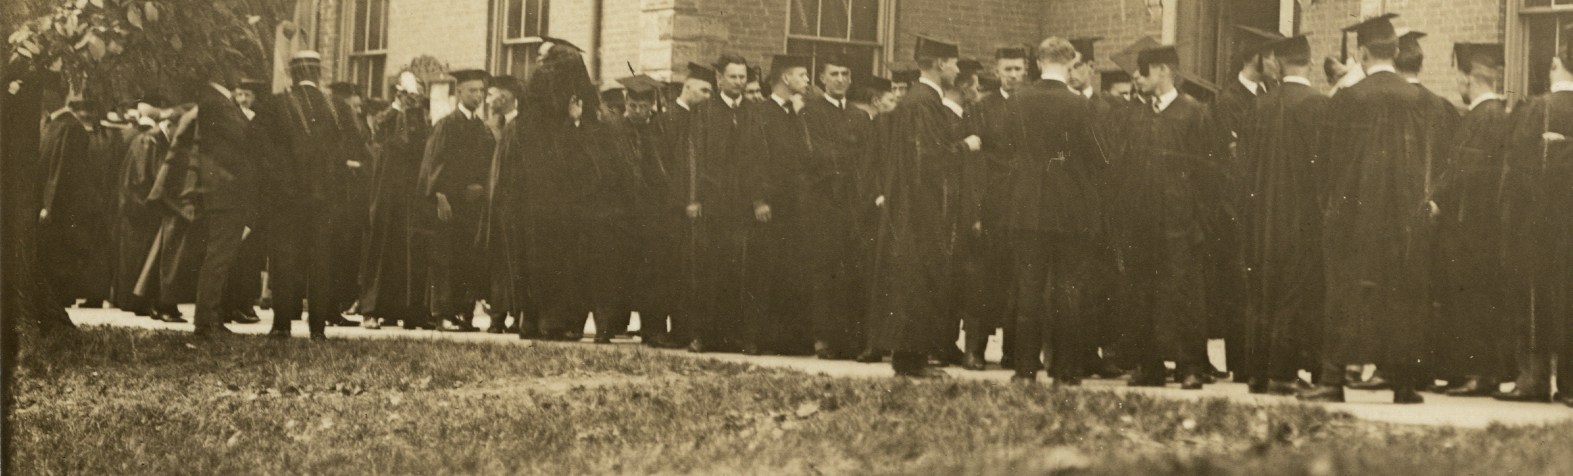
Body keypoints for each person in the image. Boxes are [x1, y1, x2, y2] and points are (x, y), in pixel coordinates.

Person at [1298, 14, 1447, 404]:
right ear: (1396, 52)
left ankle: (1333, 379)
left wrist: (1329, 205)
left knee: (1345, 292)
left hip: (1353, 216)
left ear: (1362, 53)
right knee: (1402, 293)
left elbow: (1325, 163)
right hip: (1404, 218)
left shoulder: (1348, 99)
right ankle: (1402, 384)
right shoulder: (1421, 100)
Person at [1114, 44, 1222, 389]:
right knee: (1141, 294)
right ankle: (1150, 366)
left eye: (1142, 70)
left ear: (1162, 70)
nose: (1136, 77)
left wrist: (1197, 220)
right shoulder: (1134, 115)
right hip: (1140, 223)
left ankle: (1191, 366)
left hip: (1180, 225)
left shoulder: (1195, 113)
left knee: (1185, 295)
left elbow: (1212, 175)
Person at [869, 36, 976, 378]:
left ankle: (913, 357)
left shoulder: (921, 100)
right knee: (916, 280)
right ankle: (911, 359)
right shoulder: (924, 103)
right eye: (954, 64)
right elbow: (930, 158)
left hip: (914, 205)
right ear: (939, 64)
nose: (957, 70)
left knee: (915, 280)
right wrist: (966, 146)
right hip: (919, 208)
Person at [1001, 38, 1104, 384]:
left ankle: (1024, 370)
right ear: (1071, 62)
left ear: (1038, 62)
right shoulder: (1080, 105)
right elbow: (1097, 156)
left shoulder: (1016, 101)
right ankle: (1066, 370)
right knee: (1068, 290)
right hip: (1069, 207)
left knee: (1028, 289)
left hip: (1027, 205)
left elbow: (1006, 148)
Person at [1235, 34, 1329, 395]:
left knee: (1262, 292)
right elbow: (1324, 169)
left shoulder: (1259, 106)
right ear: (1309, 60)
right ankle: (1283, 371)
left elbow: (1242, 166)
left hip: (1261, 216)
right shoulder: (1318, 105)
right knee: (1296, 292)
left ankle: (1258, 373)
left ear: (1278, 62)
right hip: (1302, 217)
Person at [1494, 34, 1573, 406]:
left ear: (1554, 64)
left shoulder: (1539, 107)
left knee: (1536, 296)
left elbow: (1515, 169)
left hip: (1540, 221)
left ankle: (1536, 378)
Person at [1428, 42, 1510, 397]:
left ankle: (1481, 372)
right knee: (1468, 298)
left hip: (1473, 226)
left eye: (1459, 76)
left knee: (1474, 298)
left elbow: (1468, 171)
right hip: (1472, 224)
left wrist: (1437, 199)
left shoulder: (1485, 116)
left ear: (1469, 78)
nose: (1457, 83)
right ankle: (1469, 370)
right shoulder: (1487, 114)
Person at [271, 51, 362, 338]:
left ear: (293, 74)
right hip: (325, 199)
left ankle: (281, 326)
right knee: (321, 262)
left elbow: (262, 153)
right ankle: (318, 328)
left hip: (286, 200)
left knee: (284, 261)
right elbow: (356, 149)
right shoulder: (336, 107)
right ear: (319, 73)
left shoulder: (276, 105)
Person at [735, 54, 815, 355]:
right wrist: (758, 200)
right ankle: (753, 337)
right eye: (802, 74)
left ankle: (786, 339)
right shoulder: (759, 113)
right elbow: (751, 158)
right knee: (762, 271)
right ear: (785, 78)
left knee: (791, 271)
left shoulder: (798, 112)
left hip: (796, 206)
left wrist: (800, 115)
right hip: (769, 206)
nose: (807, 81)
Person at [954, 47, 1028, 371]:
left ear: (1026, 71)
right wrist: (975, 212)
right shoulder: (982, 109)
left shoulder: (1032, 105)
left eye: (1018, 69)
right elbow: (974, 162)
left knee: (1020, 278)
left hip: (1025, 203)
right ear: (996, 72)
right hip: (991, 203)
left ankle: (1014, 348)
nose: (1013, 74)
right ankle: (975, 348)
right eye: (1007, 69)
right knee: (981, 279)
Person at [799, 54, 874, 360]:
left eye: (845, 73)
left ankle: (851, 339)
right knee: (825, 271)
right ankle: (824, 339)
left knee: (854, 271)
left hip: (855, 203)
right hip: (825, 201)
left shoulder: (860, 116)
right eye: (834, 74)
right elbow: (816, 154)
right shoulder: (811, 113)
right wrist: (848, 160)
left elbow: (869, 158)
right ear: (822, 80)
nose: (841, 79)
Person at [179, 68, 261, 337]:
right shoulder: (217, 102)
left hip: (225, 192)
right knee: (219, 257)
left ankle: (212, 318)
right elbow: (245, 136)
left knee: (221, 257)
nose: (240, 77)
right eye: (236, 70)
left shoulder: (218, 101)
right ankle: (207, 321)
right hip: (227, 193)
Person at [687, 56, 757, 353]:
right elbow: (694, 155)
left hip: (741, 204)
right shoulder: (704, 111)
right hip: (712, 201)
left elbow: (760, 157)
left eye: (742, 77)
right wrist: (693, 198)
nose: (739, 82)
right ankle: (704, 334)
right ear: (720, 79)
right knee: (708, 268)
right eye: (733, 77)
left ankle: (734, 336)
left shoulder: (754, 113)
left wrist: (758, 198)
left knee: (737, 270)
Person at [418, 69, 494, 332]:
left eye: (482, 91)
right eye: (472, 90)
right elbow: (433, 165)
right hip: (449, 204)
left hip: (473, 206)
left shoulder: (484, 129)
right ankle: (442, 315)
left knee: (469, 259)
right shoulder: (446, 125)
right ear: (459, 92)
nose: (478, 96)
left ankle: (465, 314)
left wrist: (483, 189)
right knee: (445, 258)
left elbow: (490, 167)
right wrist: (440, 196)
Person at [361, 71, 435, 330]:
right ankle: (371, 310)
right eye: (409, 96)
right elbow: (390, 138)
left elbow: (422, 143)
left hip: (411, 194)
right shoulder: (385, 118)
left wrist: (414, 111)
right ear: (399, 94)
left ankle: (408, 311)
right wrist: (401, 109)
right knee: (381, 248)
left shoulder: (419, 120)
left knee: (409, 249)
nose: (414, 101)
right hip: (386, 193)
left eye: (417, 97)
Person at [38, 97, 111, 309]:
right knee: (70, 248)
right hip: (74, 201)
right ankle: (68, 294)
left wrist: (48, 205)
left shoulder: (66, 127)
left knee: (64, 249)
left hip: (67, 202)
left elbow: (60, 170)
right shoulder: (66, 126)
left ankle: (63, 295)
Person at [113, 100, 169, 318]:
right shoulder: (149, 141)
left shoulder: (143, 139)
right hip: (140, 207)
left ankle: (131, 300)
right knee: (139, 255)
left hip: (134, 205)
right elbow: (145, 177)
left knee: (134, 255)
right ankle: (137, 301)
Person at [480, 74, 523, 334]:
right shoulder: (491, 126)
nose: (487, 100)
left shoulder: (522, 126)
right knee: (497, 263)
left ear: (505, 98)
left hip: (515, 207)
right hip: (495, 206)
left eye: (491, 94)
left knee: (515, 263)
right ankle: (497, 317)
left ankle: (518, 315)